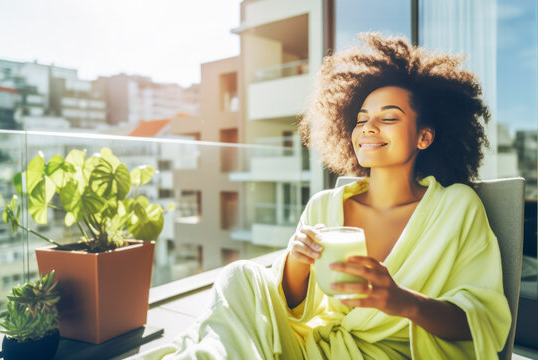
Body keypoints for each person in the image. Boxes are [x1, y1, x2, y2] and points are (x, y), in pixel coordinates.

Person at [140, 34, 511, 360]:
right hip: (313, 346)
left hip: (387, 354)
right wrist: (297, 264)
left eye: (389, 118)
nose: (368, 128)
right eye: (362, 118)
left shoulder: (455, 207)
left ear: (424, 137)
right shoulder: (325, 205)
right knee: (241, 275)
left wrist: (403, 302)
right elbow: (291, 303)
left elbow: (481, 318)